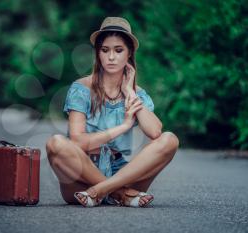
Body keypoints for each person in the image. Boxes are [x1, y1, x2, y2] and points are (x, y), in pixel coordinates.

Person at [46, 17, 179, 207]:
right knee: (56, 143)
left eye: (118, 50)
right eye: (105, 50)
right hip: (82, 178)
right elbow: (78, 141)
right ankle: (121, 194)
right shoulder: (81, 89)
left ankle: (101, 191)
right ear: (98, 53)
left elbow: (155, 132)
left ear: (129, 53)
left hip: (122, 173)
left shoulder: (136, 94)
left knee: (170, 139)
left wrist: (130, 92)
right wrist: (123, 126)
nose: (111, 57)